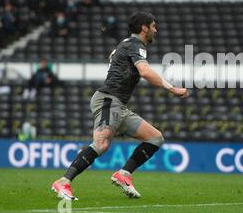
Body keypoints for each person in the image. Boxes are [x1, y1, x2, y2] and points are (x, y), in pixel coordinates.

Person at [51, 12, 189, 200]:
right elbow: (145, 72)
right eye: (153, 26)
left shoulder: (126, 44)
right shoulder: (135, 44)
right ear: (144, 28)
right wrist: (172, 88)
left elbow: (113, 56)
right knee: (102, 142)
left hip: (118, 105)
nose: (155, 30)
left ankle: (124, 174)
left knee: (155, 138)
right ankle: (63, 182)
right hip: (108, 99)